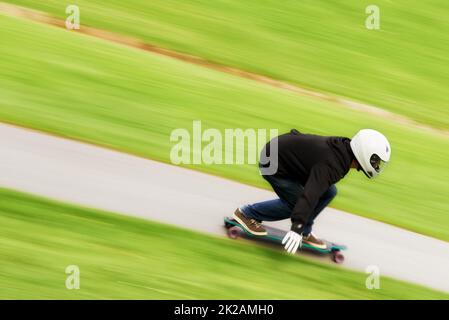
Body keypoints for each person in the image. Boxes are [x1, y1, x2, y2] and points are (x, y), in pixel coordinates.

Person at [233, 128, 391, 254]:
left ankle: (305, 233)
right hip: (274, 162)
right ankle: (246, 214)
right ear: (364, 153)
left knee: (329, 192)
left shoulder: (343, 151)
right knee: (295, 204)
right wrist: (297, 227)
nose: (376, 165)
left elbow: (318, 185)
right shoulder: (333, 164)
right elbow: (311, 193)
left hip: (288, 160)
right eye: (375, 160)